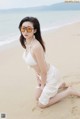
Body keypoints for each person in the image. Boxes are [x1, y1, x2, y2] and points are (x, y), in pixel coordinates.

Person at [18, 16, 80, 108]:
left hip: (49, 75)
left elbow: (43, 71)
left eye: (29, 29)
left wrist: (42, 86)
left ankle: (69, 91)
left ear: (35, 30)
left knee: (41, 104)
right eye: (23, 28)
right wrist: (38, 79)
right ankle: (60, 85)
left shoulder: (36, 47)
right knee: (37, 97)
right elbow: (34, 65)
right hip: (42, 75)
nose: (25, 32)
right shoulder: (27, 42)